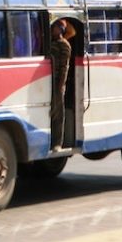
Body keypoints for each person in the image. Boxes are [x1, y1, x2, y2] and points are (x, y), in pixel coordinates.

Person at [50, 19, 71, 152]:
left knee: (58, 113)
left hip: (58, 81)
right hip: (49, 80)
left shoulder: (64, 46)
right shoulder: (51, 43)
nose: (53, 30)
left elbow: (65, 67)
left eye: (55, 28)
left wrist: (60, 85)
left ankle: (57, 142)